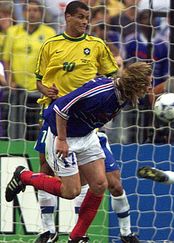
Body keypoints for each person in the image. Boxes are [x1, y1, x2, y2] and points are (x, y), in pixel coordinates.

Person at [5, 62, 152, 243]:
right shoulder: (102, 93)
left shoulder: (125, 94)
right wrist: (62, 139)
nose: (149, 88)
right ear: (136, 84)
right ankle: (24, 176)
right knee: (71, 191)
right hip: (63, 134)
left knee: (99, 185)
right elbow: (61, 108)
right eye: (147, 84)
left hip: (87, 135)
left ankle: (75, 238)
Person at [33, 1, 138, 242]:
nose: (85, 22)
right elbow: (38, 80)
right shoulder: (51, 45)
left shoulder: (97, 45)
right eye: (80, 17)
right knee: (47, 170)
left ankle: (119, 233)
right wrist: (45, 90)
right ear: (67, 17)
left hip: (88, 125)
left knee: (109, 181)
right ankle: (47, 230)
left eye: (87, 18)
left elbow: (114, 78)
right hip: (55, 117)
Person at [3, 0, 56, 140]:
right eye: (29, 10)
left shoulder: (49, 33)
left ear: (41, 13)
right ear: (24, 12)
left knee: (39, 125)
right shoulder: (12, 32)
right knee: (16, 124)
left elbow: (53, 61)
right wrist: (10, 81)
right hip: (18, 89)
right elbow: (6, 59)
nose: (32, 13)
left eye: (36, 10)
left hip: (40, 89)